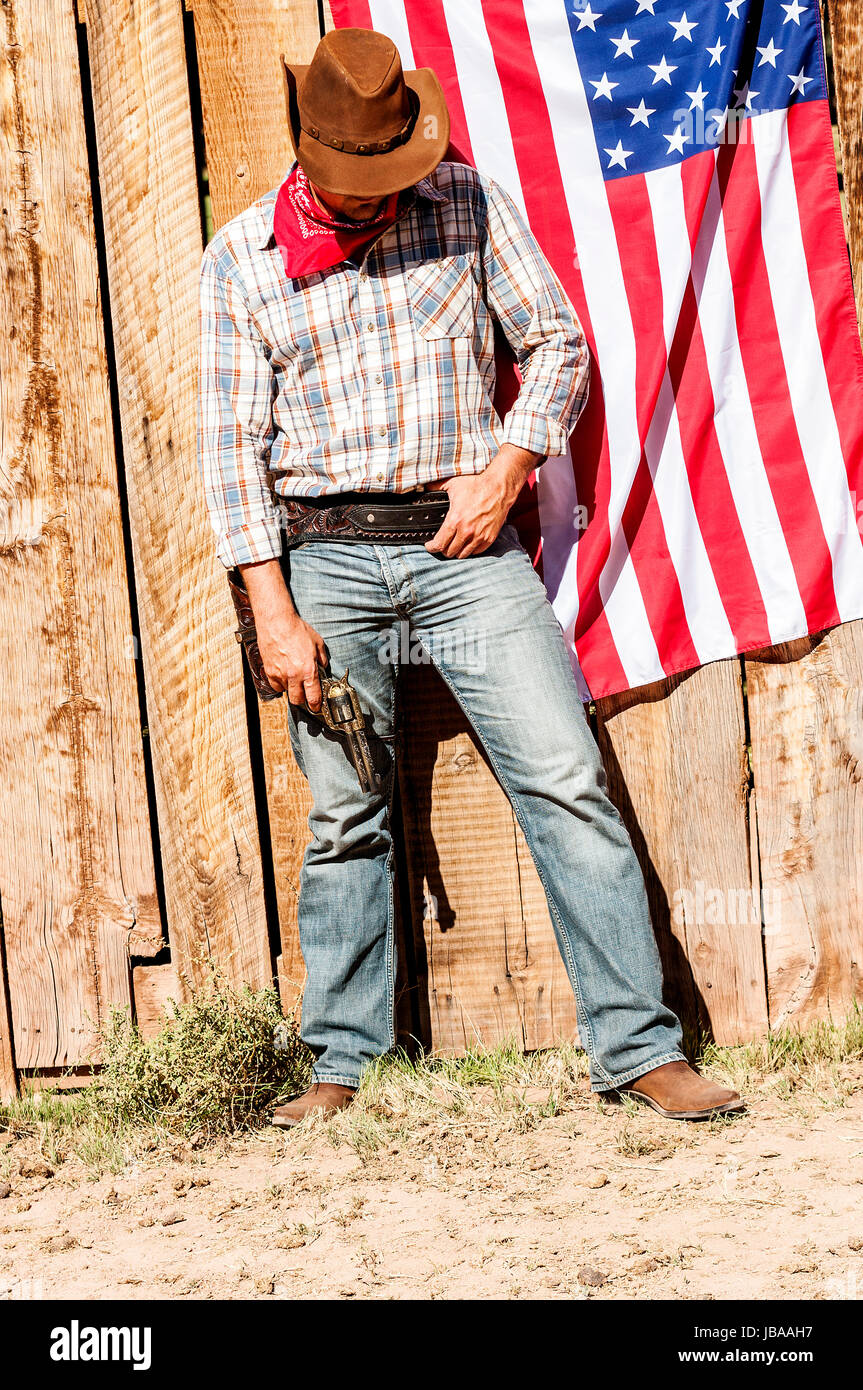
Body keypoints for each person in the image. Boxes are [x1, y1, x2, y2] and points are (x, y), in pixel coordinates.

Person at [197, 27, 743, 1126]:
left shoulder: (467, 203)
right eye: (353, 183)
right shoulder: (239, 260)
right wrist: (273, 612)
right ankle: (339, 1064)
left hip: (465, 553)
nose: (373, 199)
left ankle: (638, 1047)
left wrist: (505, 472)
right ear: (305, 153)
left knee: (562, 774)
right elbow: (226, 451)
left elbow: (556, 343)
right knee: (346, 814)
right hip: (325, 558)